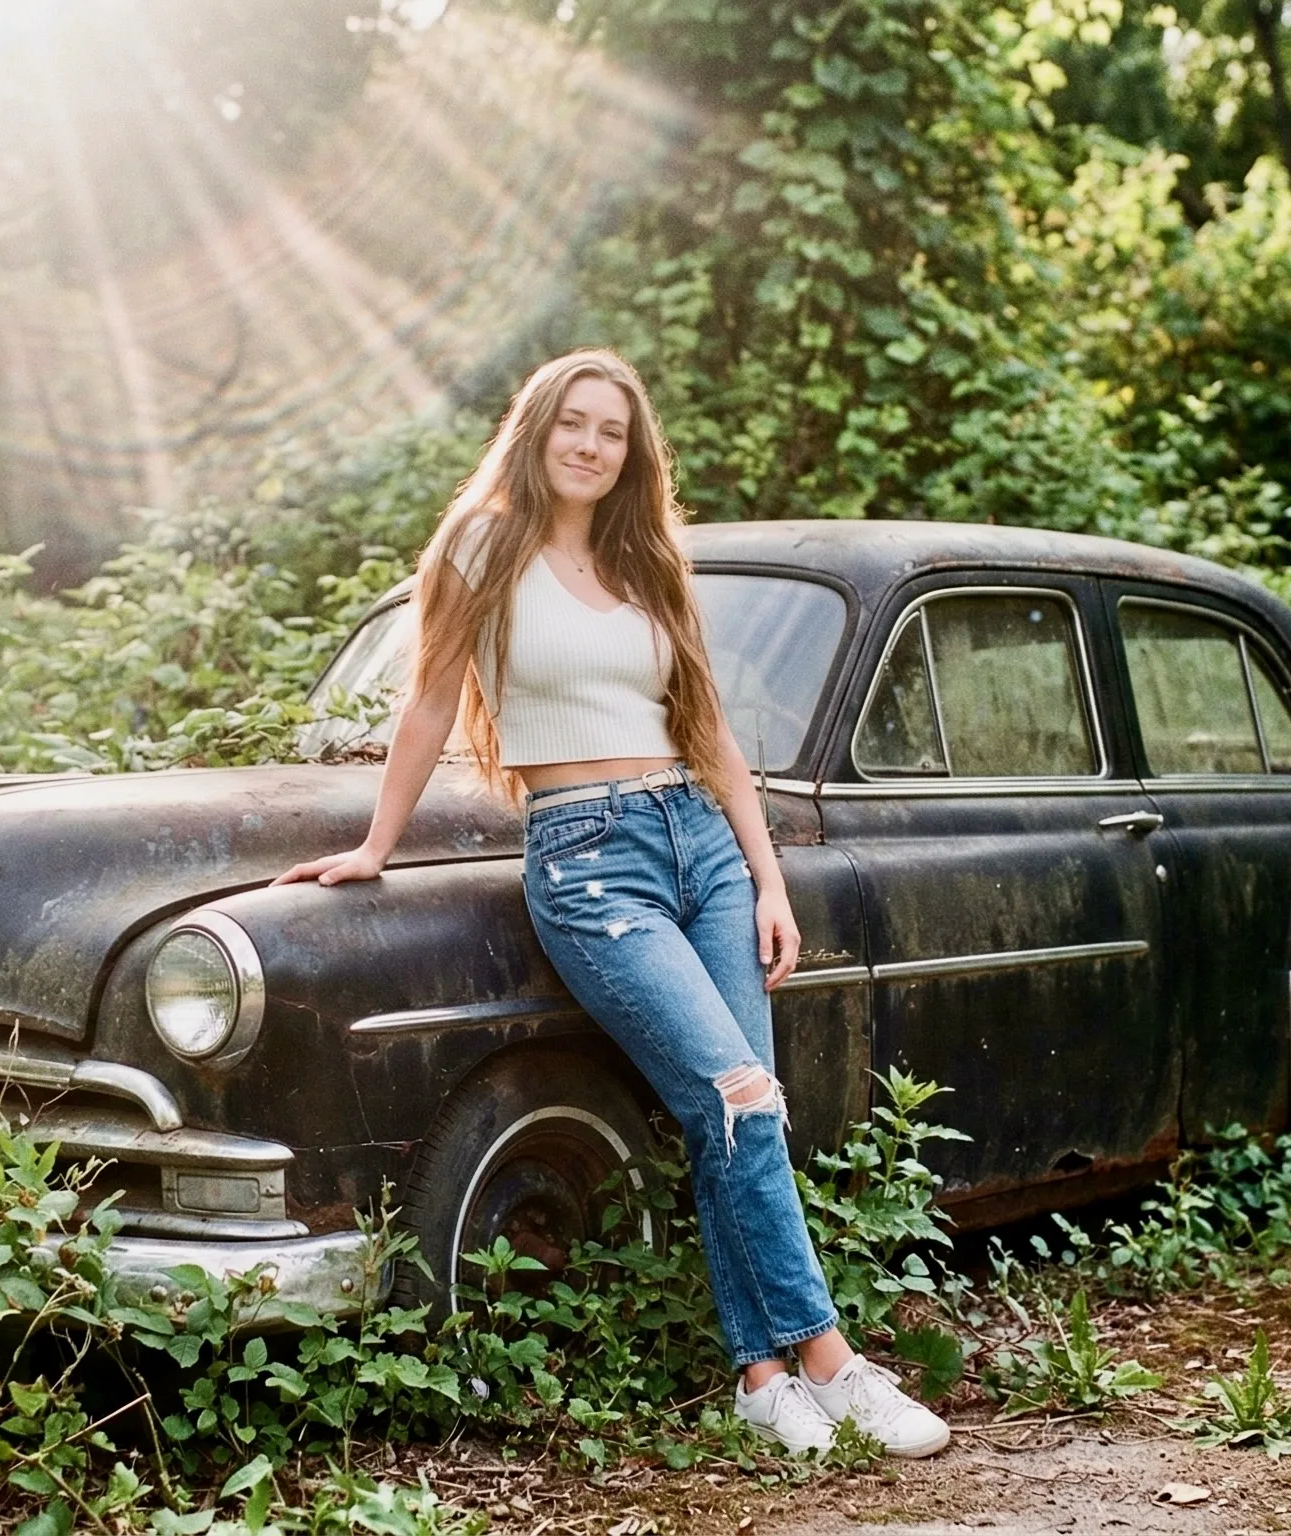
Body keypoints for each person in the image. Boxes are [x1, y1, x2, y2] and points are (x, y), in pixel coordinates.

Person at [272, 349, 950, 1458]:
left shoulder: (648, 560)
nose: (590, 446)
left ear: (631, 453)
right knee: (733, 1090)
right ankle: (834, 1361)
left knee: (737, 1109)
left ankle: (760, 1377)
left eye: (611, 432)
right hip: (590, 859)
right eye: (571, 425)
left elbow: (709, 729)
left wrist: (768, 877)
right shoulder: (479, 546)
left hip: (703, 846)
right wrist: (372, 846)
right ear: (535, 431)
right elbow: (431, 702)